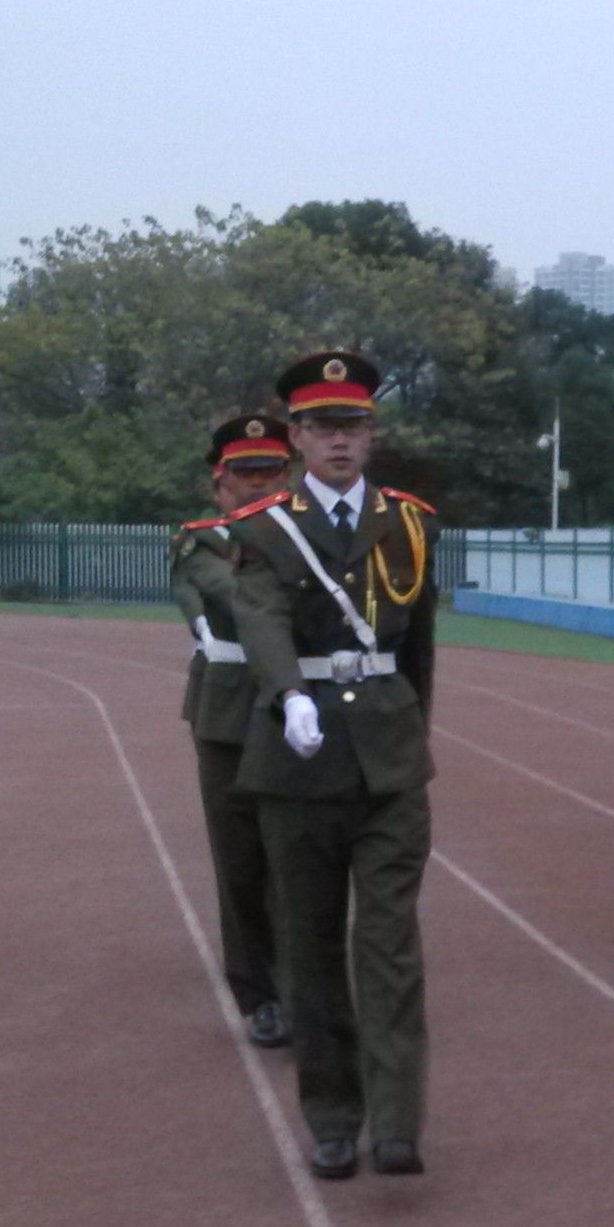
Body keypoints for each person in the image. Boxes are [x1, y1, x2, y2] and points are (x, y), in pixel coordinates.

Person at [230, 352, 442, 1181]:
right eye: (322, 428)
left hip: (389, 766)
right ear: (297, 438)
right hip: (298, 763)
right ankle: (332, 1115)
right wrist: (289, 694)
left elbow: (420, 649)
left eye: (352, 425)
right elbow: (261, 619)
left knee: (388, 945)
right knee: (311, 949)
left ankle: (396, 1121)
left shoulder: (412, 524)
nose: (340, 441)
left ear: (371, 433)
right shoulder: (263, 530)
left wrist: (412, 735)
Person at [176, 416, 296, 1047]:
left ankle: (306, 983)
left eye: (269, 472)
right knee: (242, 859)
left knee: (302, 853)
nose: (258, 484)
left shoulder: (314, 538)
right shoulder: (203, 544)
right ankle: (261, 994)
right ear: (219, 483)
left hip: (302, 709)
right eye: (245, 474)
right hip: (229, 714)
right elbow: (237, 597)